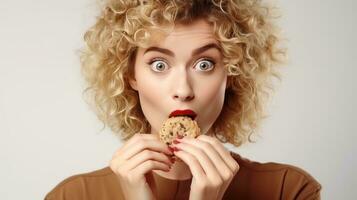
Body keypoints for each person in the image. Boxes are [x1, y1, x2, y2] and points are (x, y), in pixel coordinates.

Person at [45, 0, 321, 199]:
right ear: (131, 76)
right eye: (159, 65)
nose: (183, 90)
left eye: (204, 65)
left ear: (233, 73)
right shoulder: (71, 196)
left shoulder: (289, 190)